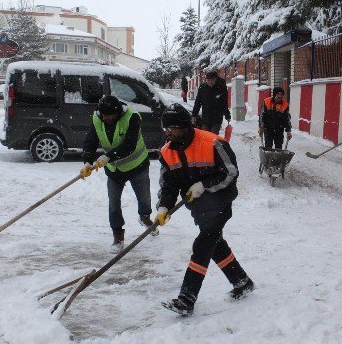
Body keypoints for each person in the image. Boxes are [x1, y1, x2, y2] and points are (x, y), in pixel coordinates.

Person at [155, 103, 253, 316]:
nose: (168, 133)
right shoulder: (167, 151)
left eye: (172, 129)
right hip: (198, 207)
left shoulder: (212, 143)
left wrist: (203, 186)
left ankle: (186, 299)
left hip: (220, 202)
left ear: (184, 127)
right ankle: (241, 281)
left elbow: (230, 173)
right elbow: (168, 184)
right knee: (215, 245)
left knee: (202, 245)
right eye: (166, 129)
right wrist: (164, 206)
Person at [81, 95, 154, 249]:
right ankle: (118, 236)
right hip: (114, 170)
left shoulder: (132, 117)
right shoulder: (97, 118)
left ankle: (145, 217)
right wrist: (87, 161)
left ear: (118, 112)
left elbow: (130, 144)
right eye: (104, 116)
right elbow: (90, 140)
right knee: (114, 204)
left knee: (144, 199)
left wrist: (108, 156)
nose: (106, 119)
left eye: (109, 116)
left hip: (137, 166)